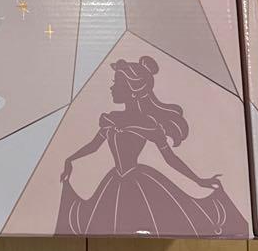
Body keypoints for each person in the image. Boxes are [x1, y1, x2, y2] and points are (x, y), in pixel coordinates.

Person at [56, 57, 247, 237]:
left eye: (116, 83)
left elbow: (170, 159)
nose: (112, 87)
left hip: (138, 183)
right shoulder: (111, 119)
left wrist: (198, 180)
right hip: (113, 182)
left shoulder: (147, 124)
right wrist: (69, 159)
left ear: (133, 90)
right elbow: (93, 146)